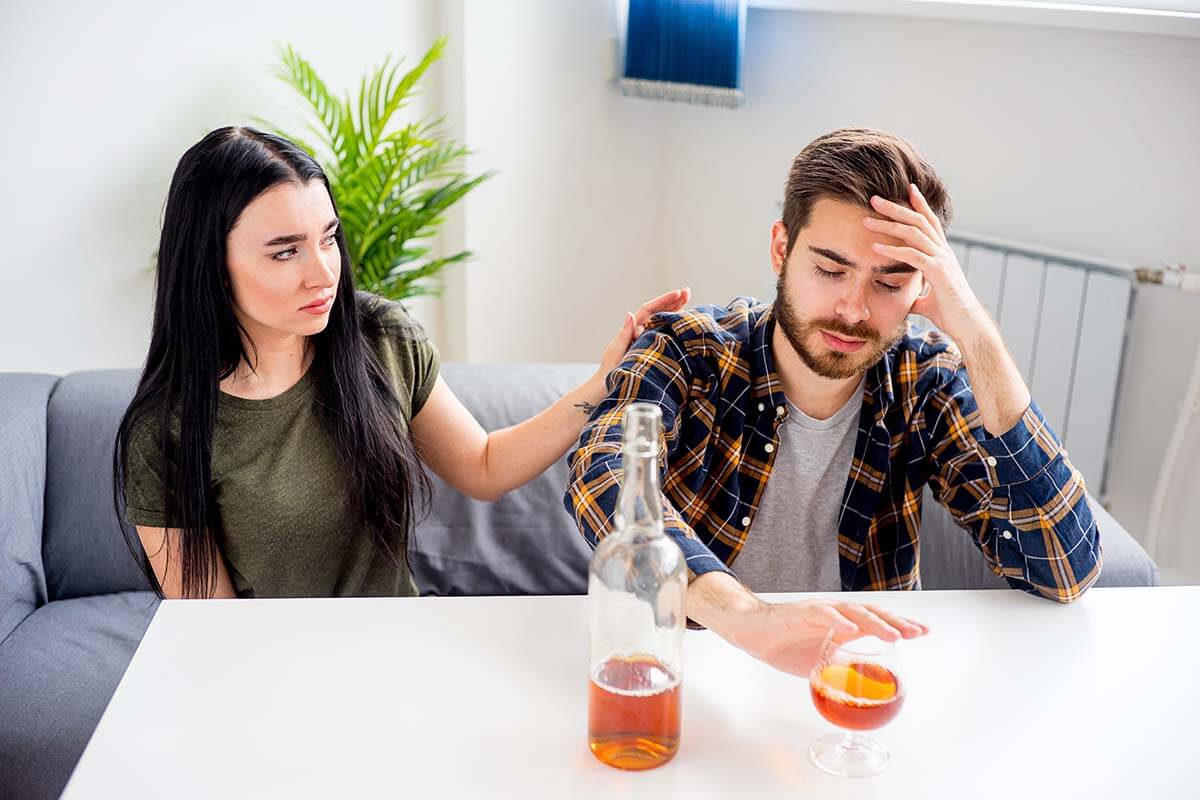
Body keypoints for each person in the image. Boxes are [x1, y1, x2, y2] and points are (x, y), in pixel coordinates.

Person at [566, 127, 1103, 676]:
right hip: (685, 666)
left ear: (923, 288)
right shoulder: (688, 349)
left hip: (851, 680)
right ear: (781, 249)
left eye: (889, 284)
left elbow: (1064, 570)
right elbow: (600, 476)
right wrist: (746, 617)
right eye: (830, 270)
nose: (853, 310)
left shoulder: (926, 380)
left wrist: (977, 336)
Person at [114, 125, 692, 600]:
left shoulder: (377, 337)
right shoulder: (166, 430)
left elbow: (484, 466)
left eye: (328, 238)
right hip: (276, 682)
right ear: (211, 265)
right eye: (285, 251)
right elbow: (214, 630)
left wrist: (603, 382)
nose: (323, 272)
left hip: (402, 653)